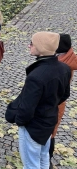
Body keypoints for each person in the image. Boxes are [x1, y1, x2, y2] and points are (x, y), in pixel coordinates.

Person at [6, 32, 70, 169]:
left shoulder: (36, 76)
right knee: (43, 158)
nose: (29, 45)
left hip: (32, 127)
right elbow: (64, 95)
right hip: (49, 121)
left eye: (32, 43)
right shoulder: (64, 68)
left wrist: (20, 121)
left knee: (31, 164)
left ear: (41, 48)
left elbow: (27, 108)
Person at [49, 34, 77, 168]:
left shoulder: (63, 64)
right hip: (56, 102)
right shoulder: (64, 58)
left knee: (50, 133)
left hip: (55, 103)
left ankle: (47, 159)